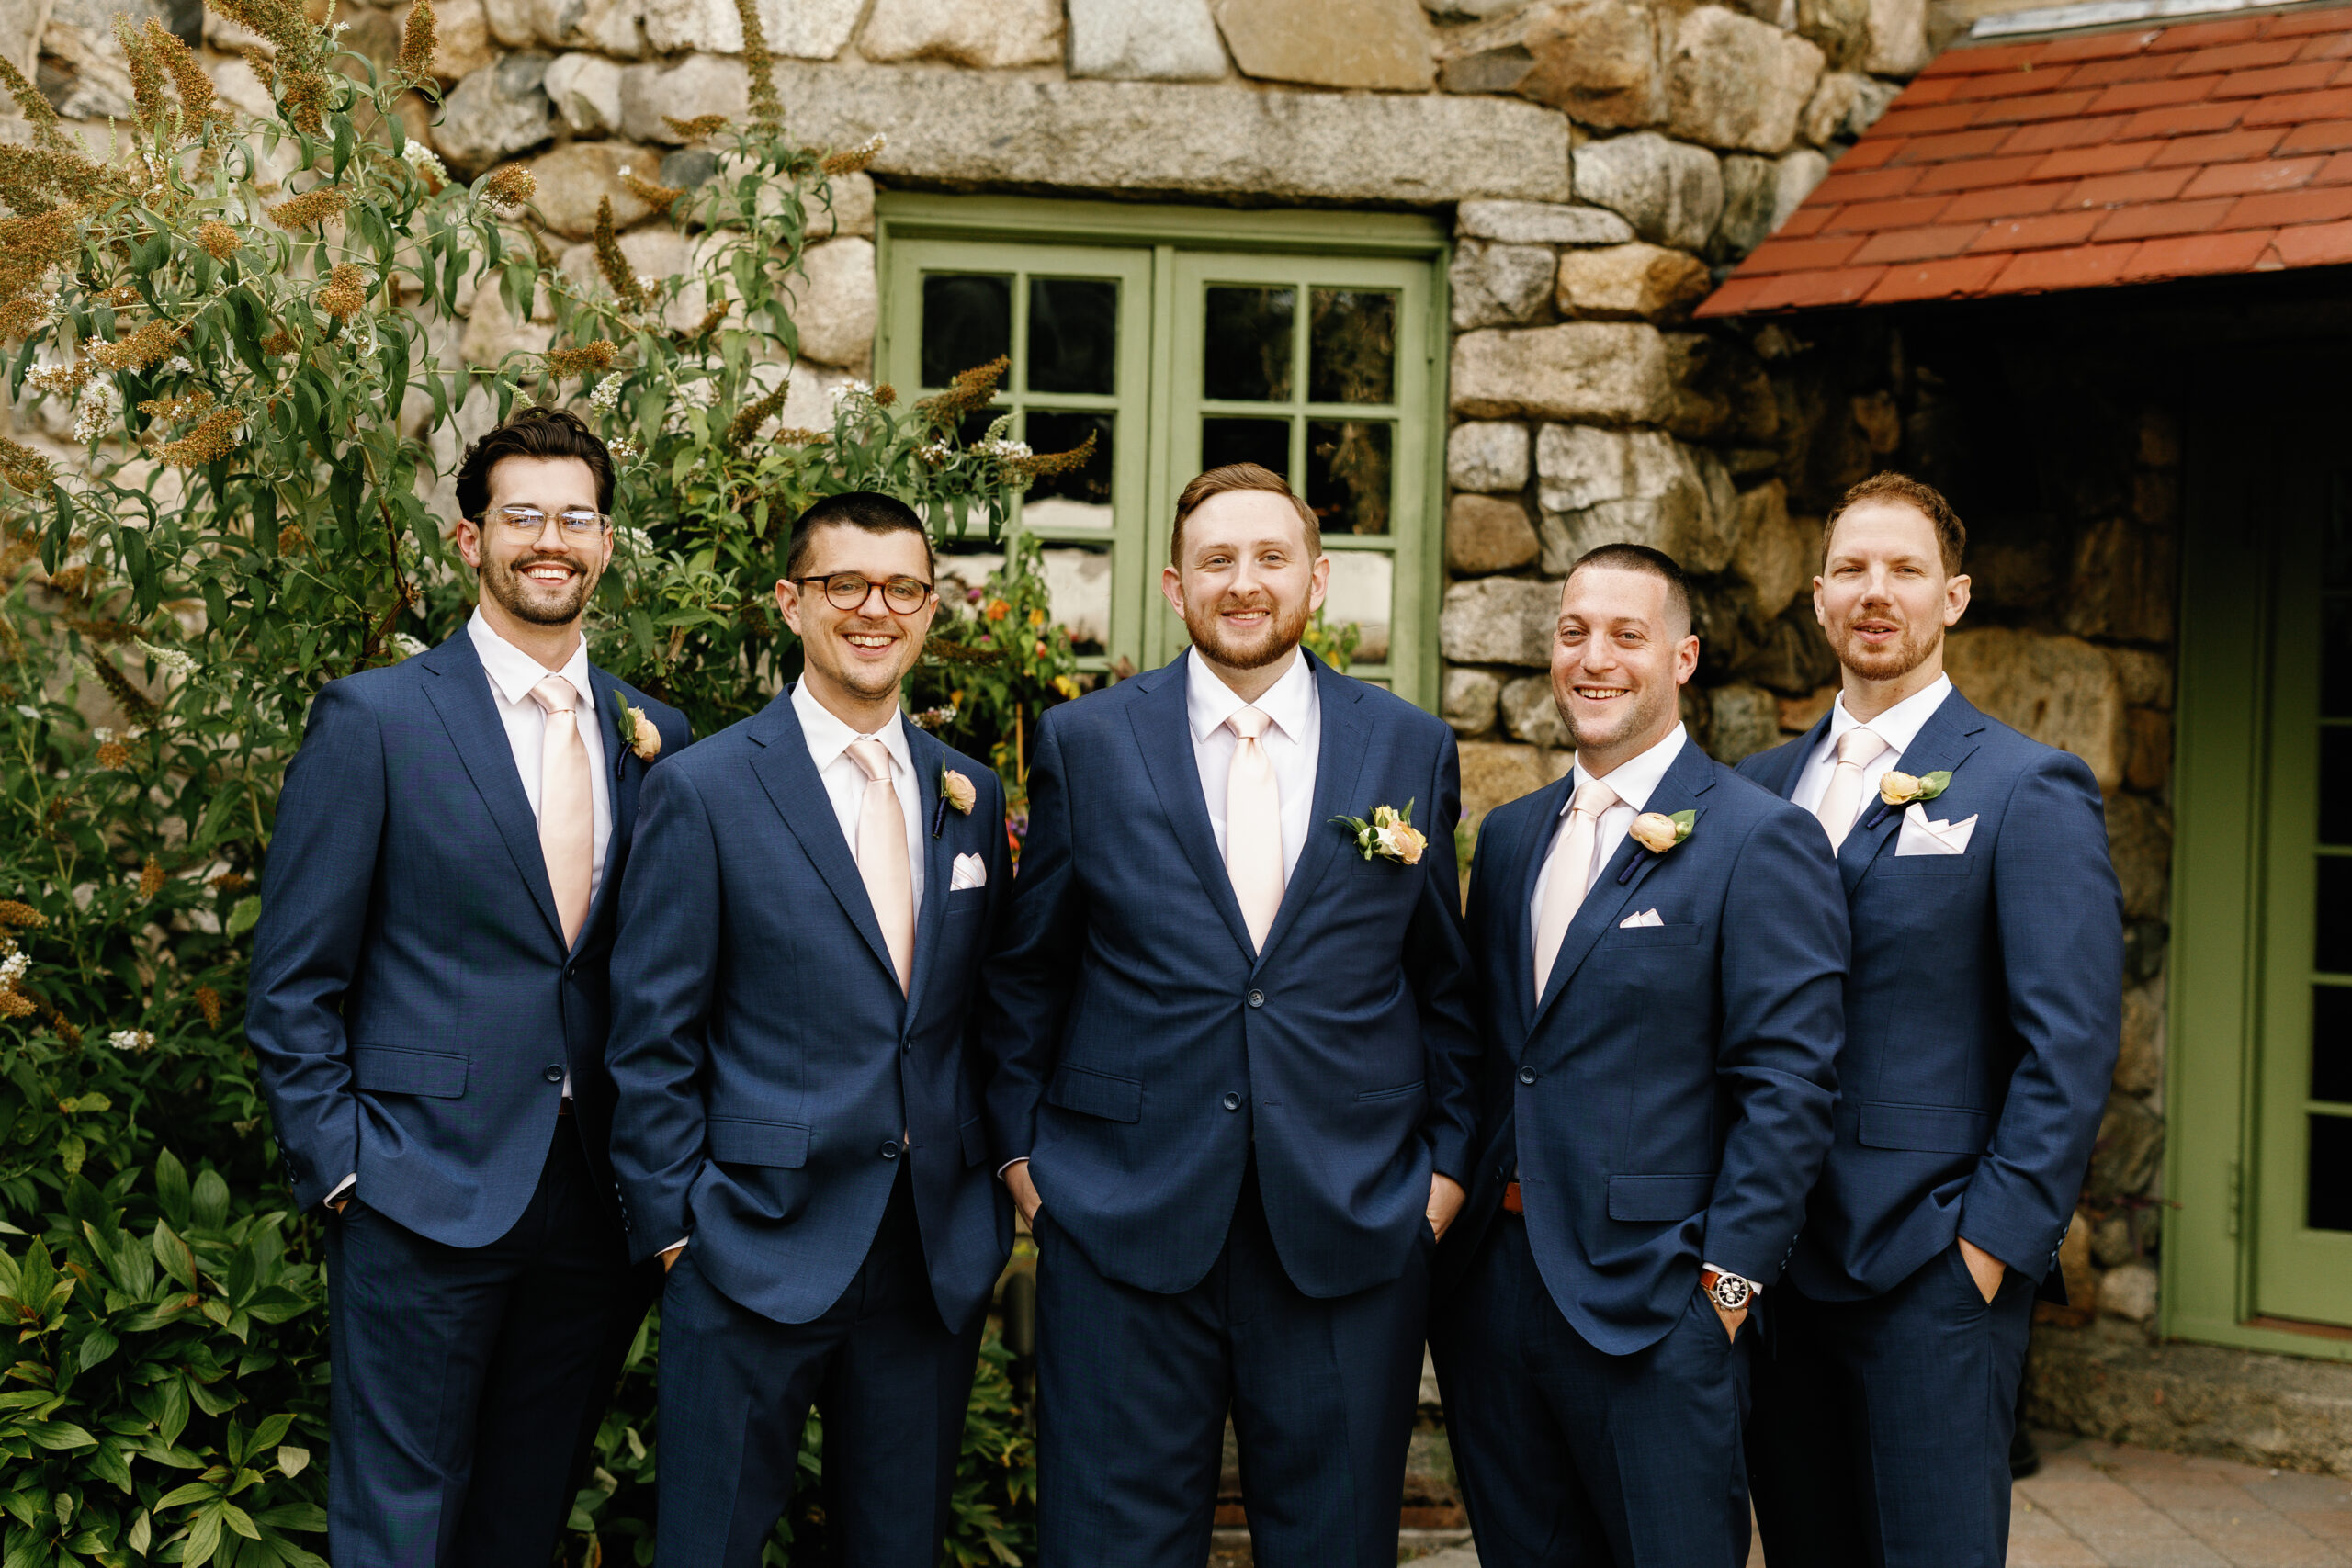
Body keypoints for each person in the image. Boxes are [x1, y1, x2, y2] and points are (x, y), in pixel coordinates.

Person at [979, 463, 1480, 1567]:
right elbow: (1027, 974)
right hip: (1120, 1217)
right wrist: (1026, 1169)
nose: (1243, 583)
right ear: (1175, 586)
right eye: (1216, 561)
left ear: (1317, 579)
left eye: (1269, 558)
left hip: (1348, 1220)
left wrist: (1440, 1182)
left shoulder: (1408, 746)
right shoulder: (1085, 743)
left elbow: (1443, 981)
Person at [245, 408, 688, 1566]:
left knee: (525, 1519)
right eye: (522, 515)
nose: (551, 540)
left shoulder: (658, 735)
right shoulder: (376, 719)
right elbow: (293, 979)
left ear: (605, 544)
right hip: (415, 1185)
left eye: (576, 518)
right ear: (469, 539)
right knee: (400, 1520)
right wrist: (343, 1167)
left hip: (594, 1197)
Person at [605, 491, 1012, 1567]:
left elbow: (980, 1014)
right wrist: (677, 1229)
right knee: (710, 1548)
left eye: (903, 589)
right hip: (748, 1240)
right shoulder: (702, 790)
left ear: (930, 611)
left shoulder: (970, 791)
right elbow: (652, 1033)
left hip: (928, 1254)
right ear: (791, 603)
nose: (875, 610)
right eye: (845, 585)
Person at [1430, 543, 1847, 1568]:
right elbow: (1490, 1053)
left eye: (1627, 634)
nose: (1594, 658)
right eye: (1574, 633)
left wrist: (1725, 1295)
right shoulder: (1512, 836)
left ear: (1682, 658)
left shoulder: (1760, 838)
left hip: (1659, 1310)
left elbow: (1788, 1087)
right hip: (1494, 1296)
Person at [1739, 472, 2122, 1568]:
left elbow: (2068, 1046)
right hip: (1771, 1274)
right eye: (1851, 569)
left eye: (1904, 570)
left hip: (1929, 1271)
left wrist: (1986, 1252)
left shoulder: (2026, 786)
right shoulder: (1752, 791)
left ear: (1951, 597)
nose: (1875, 591)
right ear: (1818, 597)